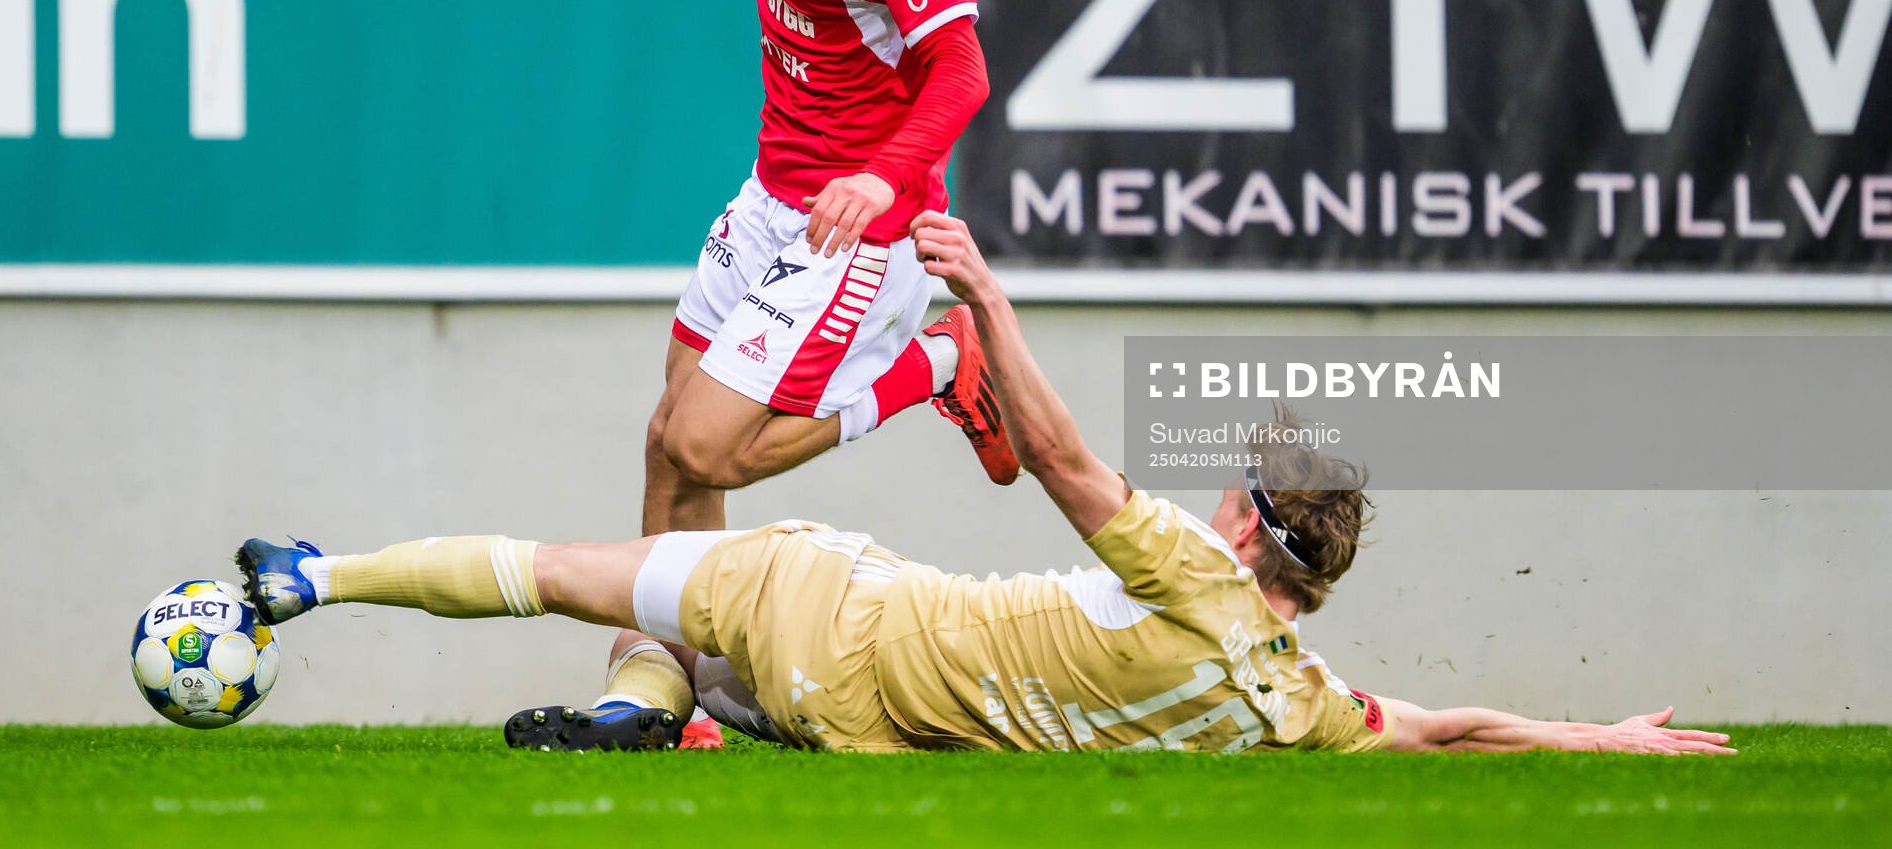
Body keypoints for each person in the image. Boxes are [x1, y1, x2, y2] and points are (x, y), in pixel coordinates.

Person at [236, 213, 1735, 759]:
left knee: (568, 566)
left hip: (839, 602)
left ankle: (315, 578)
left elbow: (1065, 462)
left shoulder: (1190, 567)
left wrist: (986, 307)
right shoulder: (1296, 702)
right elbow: (1444, 725)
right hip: (858, 722)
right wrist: (1595, 735)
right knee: (676, 629)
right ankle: (653, 714)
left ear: (1243, 520)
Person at [600, 0, 1013, 743]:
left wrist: (883, 178)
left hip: (856, 222)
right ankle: (670, 691)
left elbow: (962, 69)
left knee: (712, 449)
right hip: (773, 189)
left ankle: (936, 364)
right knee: (667, 436)